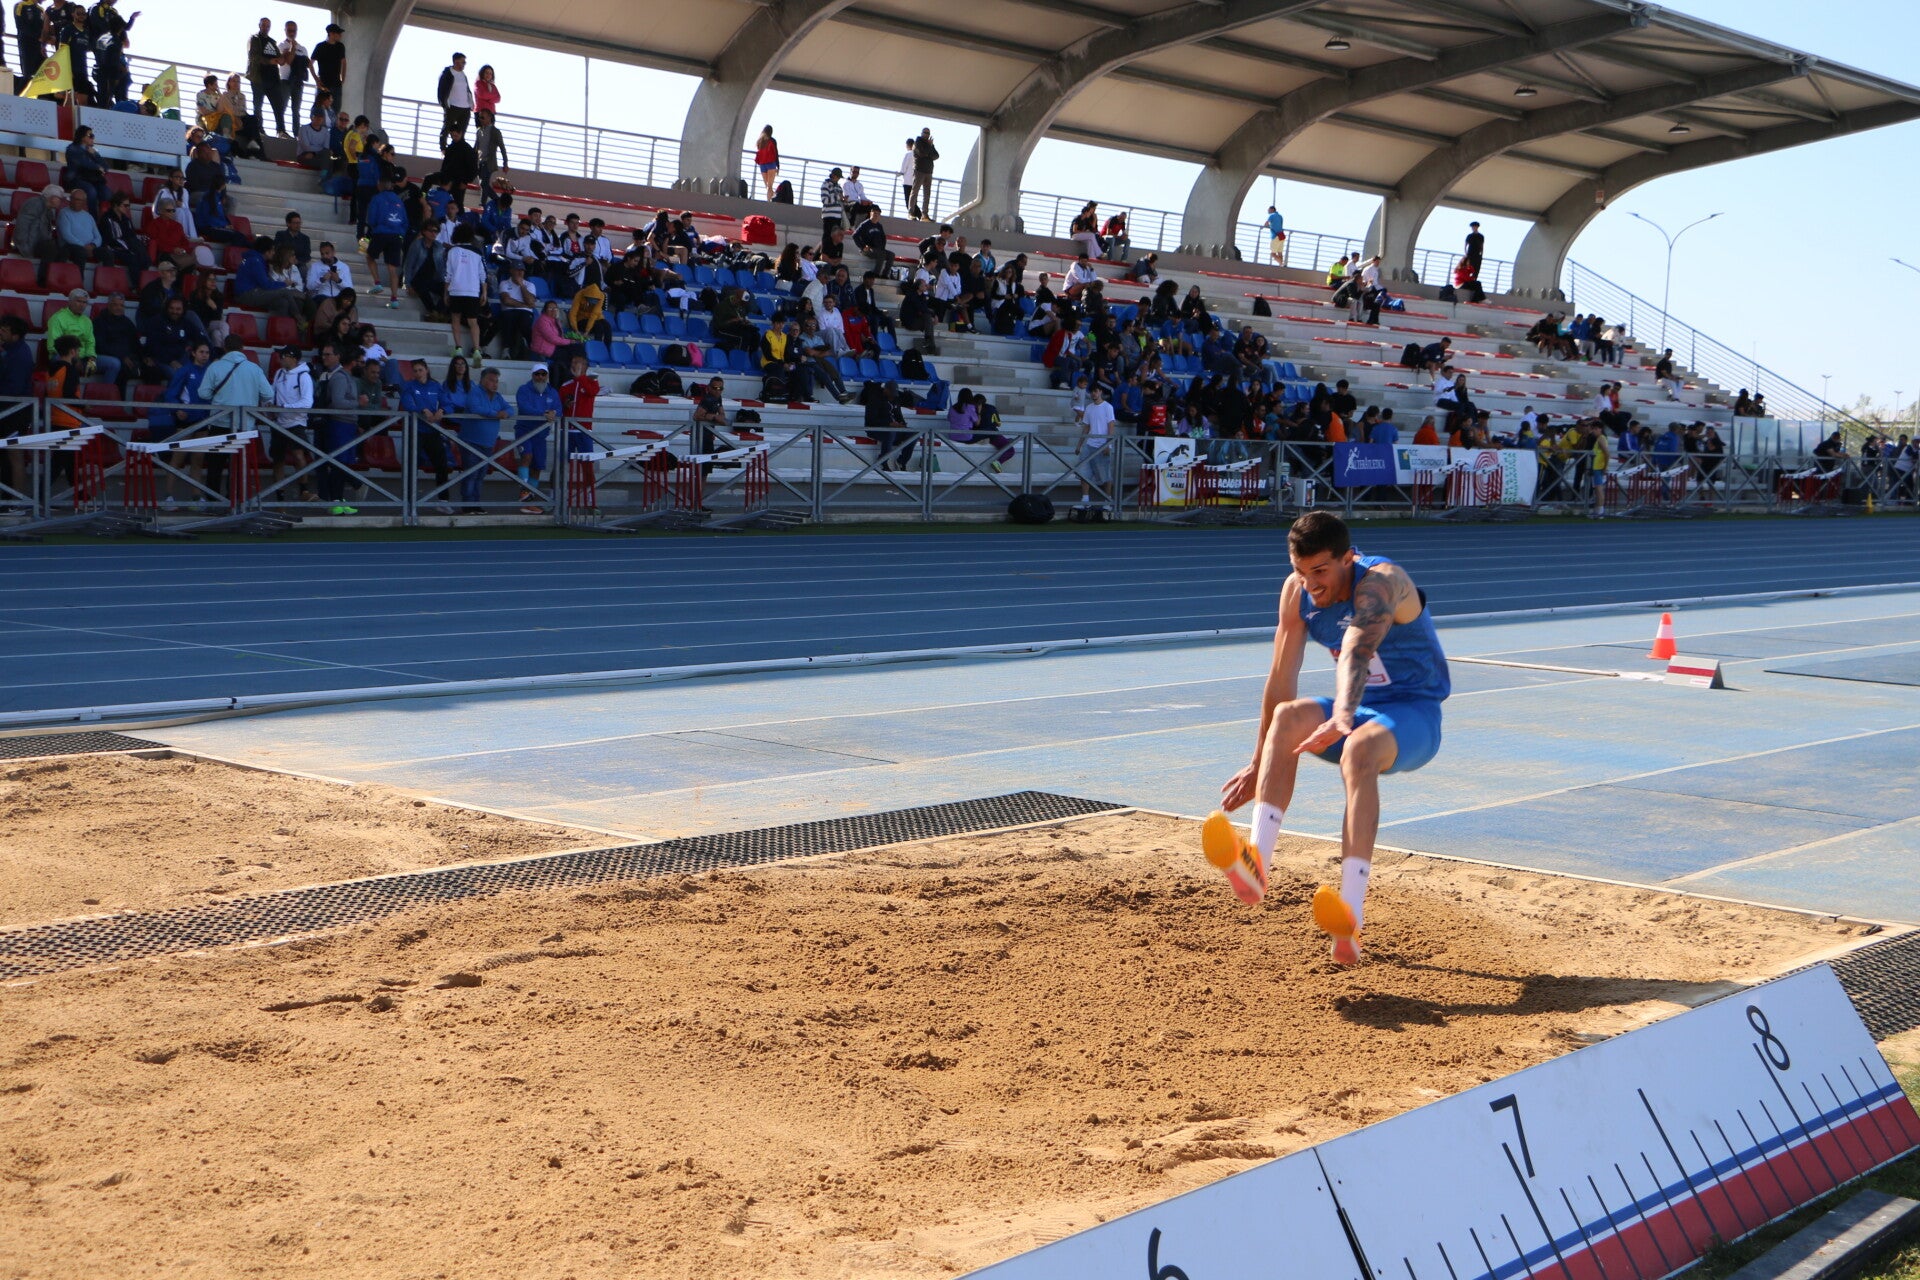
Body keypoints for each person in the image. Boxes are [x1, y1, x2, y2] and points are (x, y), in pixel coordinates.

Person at [1208, 511, 1451, 965]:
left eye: (1320, 571)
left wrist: (1342, 715)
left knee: (1358, 749)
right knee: (1287, 715)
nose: (1311, 584)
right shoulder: (1296, 592)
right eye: (1301, 571)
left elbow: (1357, 649)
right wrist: (1260, 762)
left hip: (1413, 714)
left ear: (1348, 558)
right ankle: (1256, 862)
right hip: (1356, 710)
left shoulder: (1383, 584)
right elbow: (1281, 679)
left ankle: (1350, 915)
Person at [456, 365, 513, 511]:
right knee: (471, 473)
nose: (495, 384)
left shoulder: (498, 397)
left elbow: (510, 409)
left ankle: (476, 504)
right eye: (491, 380)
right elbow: (475, 408)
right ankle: (467, 505)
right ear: (482, 380)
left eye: (496, 381)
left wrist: (505, 413)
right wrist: (496, 414)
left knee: (480, 474)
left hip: (488, 443)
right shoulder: (474, 392)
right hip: (471, 442)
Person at [444, 226, 487, 360]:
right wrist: (484, 292)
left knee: (455, 319)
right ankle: (477, 350)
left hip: (456, 290)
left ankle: (458, 348)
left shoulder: (452, 251)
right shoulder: (477, 252)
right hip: (472, 291)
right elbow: (483, 274)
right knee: (473, 322)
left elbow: (448, 274)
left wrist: (445, 293)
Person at [1077, 383, 1114, 507]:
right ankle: (1085, 499)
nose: (1094, 393)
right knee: (1083, 471)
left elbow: (1111, 427)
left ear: (1100, 392)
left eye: (1096, 391)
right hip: (1090, 444)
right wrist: (1079, 445)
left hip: (1102, 445)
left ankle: (1107, 499)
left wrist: (1108, 445)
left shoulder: (1108, 407)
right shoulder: (1089, 408)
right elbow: (1086, 427)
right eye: (1092, 391)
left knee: (1105, 474)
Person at [437, 51, 473, 148]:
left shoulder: (463, 75)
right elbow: (441, 90)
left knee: (462, 131)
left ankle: (458, 149)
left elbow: (467, 89)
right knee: (447, 128)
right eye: (463, 62)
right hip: (452, 106)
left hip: (465, 108)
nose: (464, 64)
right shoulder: (447, 73)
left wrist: (471, 103)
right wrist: (444, 104)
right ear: (456, 61)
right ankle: (443, 148)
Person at [314, 23, 346, 108]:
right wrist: (317, 79)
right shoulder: (320, 46)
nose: (340, 35)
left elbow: (344, 62)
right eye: (338, 33)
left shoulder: (340, 46)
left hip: (336, 84)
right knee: (320, 107)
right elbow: (310, 64)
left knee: (336, 109)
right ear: (331, 34)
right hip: (323, 83)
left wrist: (343, 79)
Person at [909, 127, 937, 220]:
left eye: (928, 133)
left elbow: (936, 155)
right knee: (915, 192)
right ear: (921, 133)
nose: (926, 134)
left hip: (928, 172)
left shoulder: (929, 144)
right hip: (919, 171)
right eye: (925, 132)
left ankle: (924, 214)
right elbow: (922, 153)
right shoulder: (918, 142)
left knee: (927, 194)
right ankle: (911, 212)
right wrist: (929, 149)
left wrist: (929, 150)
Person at [753, 125, 780, 200]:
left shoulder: (760, 141)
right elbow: (776, 153)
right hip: (771, 163)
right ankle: (770, 200)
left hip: (762, 164)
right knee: (769, 186)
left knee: (768, 186)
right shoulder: (772, 141)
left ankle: (772, 198)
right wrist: (778, 166)